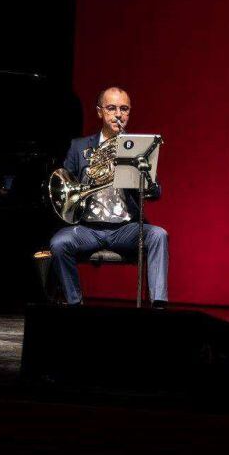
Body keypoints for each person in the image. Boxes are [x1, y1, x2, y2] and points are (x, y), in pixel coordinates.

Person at [48, 86, 169, 308]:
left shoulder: (138, 147)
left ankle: (158, 305)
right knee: (59, 243)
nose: (118, 114)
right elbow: (66, 184)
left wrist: (146, 180)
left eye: (124, 109)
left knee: (158, 235)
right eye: (111, 108)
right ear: (99, 112)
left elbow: (156, 192)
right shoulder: (79, 147)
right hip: (88, 228)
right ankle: (75, 304)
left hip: (126, 228)